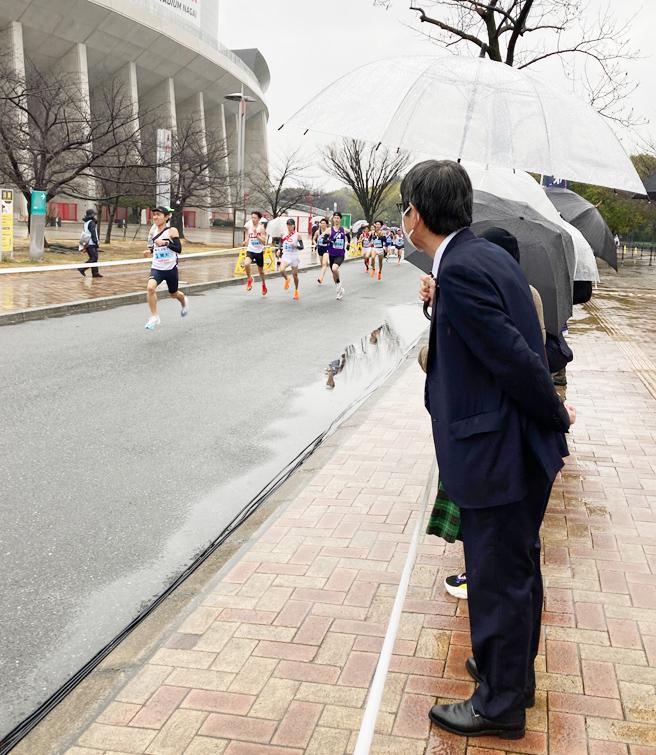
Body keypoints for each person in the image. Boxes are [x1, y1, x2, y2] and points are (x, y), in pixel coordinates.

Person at [404, 160, 575, 740]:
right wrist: (439, 301)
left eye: (404, 208)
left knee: (497, 575)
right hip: (507, 445)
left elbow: (513, 359)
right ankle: (510, 673)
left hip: (497, 450)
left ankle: (499, 704)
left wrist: (557, 414)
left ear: (415, 214)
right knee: (513, 568)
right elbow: (478, 340)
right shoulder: (480, 258)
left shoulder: (464, 268)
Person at [441, 226, 548, 601]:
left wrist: (556, 412)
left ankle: (503, 658)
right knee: (516, 558)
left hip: (494, 436)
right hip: (506, 430)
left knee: (499, 555)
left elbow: (511, 360)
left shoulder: (469, 281)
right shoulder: (519, 287)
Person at [143, 206, 188, 330]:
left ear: (167, 217)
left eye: (158, 214)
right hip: (157, 267)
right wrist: (150, 251)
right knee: (150, 288)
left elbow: (178, 249)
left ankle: (184, 301)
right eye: (154, 214)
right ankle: (154, 316)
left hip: (170, 268)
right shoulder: (153, 231)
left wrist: (166, 243)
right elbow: (156, 247)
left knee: (173, 294)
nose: (155, 217)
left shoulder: (172, 231)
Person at [243, 210, 268, 296]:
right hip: (251, 250)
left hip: (259, 251)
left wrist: (256, 235)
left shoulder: (261, 228)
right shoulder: (249, 226)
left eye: (255, 218)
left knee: (261, 272)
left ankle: (264, 284)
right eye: (252, 217)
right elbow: (247, 235)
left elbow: (264, 242)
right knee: (246, 264)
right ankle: (249, 279)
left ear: (259, 219)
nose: (253, 219)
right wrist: (245, 241)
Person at [328, 211, 347, 300]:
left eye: (338, 218)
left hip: (340, 254)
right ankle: (340, 290)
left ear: (340, 219)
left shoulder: (344, 229)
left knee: (334, 268)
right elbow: (322, 238)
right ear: (333, 219)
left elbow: (349, 236)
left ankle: (339, 286)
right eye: (335, 218)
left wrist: (349, 243)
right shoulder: (329, 230)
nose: (336, 219)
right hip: (331, 254)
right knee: (333, 273)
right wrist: (326, 240)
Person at [280, 218, 301, 300]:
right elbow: (281, 243)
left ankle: (296, 290)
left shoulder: (297, 235)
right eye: (288, 225)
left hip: (294, 256)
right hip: (286, 255)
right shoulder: (284, 234)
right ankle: (287, 279)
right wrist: (279, 250)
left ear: (294, 225)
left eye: (291, 225)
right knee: (281, 270)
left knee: (295, 275)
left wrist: (296, 246)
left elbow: (302, 247)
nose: (289, 227)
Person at [78, 208, 103, 278]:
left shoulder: (86, 222)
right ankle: (82, 268)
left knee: (94, 258)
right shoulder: (91, 222)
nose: (94, 215)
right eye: (94, 214)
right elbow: (93, 233)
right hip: (91, 243)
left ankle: (95, 273)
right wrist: (96, 242)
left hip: (87, 242)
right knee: (94, 257)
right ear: (91, 215)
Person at [314, 218, 331, 285]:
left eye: (324, 223)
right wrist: (315, 244)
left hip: (326, 248)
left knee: (324, 263)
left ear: (326, 224)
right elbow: (313, 239)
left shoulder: (329, 231)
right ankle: (323, 273)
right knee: (322, 264)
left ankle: (320, 278)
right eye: (321, 223)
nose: (322, 224)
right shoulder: (317, 232)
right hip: (320, 248)